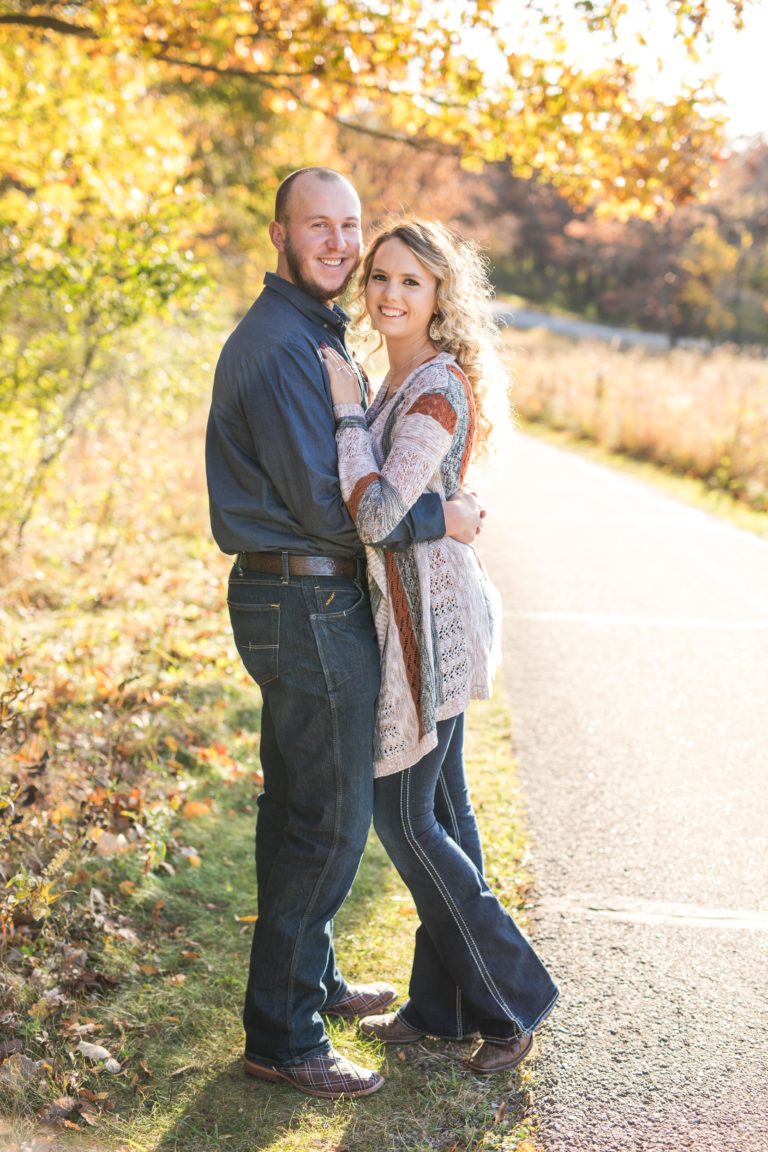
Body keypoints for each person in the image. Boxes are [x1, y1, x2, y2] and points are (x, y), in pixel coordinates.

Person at [205, 169, 487, 1101]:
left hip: (304, 601)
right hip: (306, 600)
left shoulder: (311, 333)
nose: (336, 242)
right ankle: (284, 1037)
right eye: (316, 226)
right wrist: (438, 519)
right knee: (329, 820)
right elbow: (336, 513)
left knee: (299, 803)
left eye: (348, 227)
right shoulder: (285, 346)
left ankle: (310, 986)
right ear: (279, 234)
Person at [320, 217, 558, 1075]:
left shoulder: (431, 386)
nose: (388, 293)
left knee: (408, 819)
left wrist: (347, 413)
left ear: (439, 296)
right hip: (421, 613)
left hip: (433, 625)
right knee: (445, 815)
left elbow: (380, 515)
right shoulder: (399, 378)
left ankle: (515, 1000)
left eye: (410, 282)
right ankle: (441, 1009)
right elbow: (395, 509)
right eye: (379, 276)